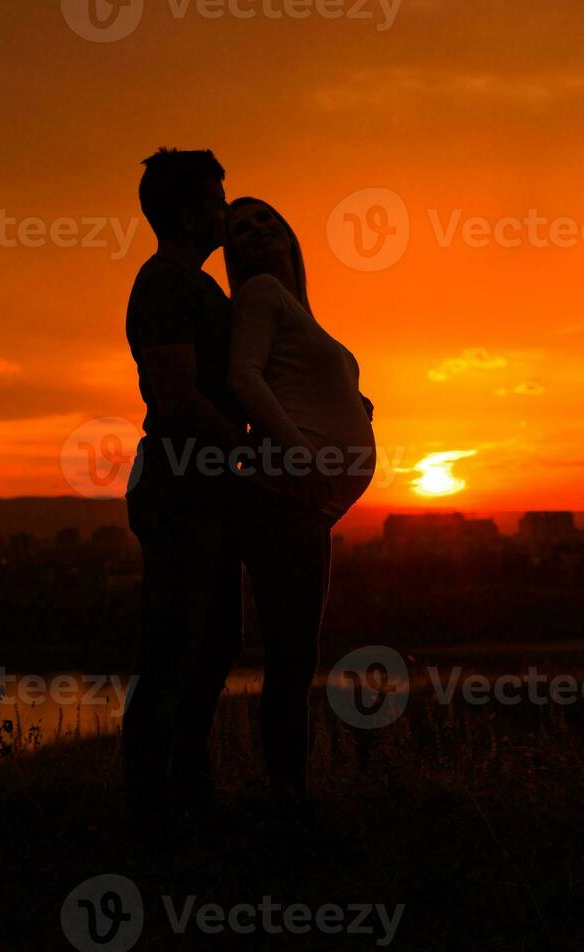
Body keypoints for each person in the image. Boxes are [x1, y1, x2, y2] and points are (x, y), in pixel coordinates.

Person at [224, 196, 376, 802]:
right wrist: (302, 453)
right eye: (240, 227)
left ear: (289, 231)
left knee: (296, 658)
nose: (258, 228)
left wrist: (353, 406)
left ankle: (291, 799)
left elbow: (297, 383)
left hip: (302, 505)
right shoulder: (260, 292)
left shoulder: (298, 312)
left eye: (266, 217)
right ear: (232, 252)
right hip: (280, 498)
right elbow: (244, 377)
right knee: (290, 662)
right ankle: (289, 804)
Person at [121, 148, 247, 833]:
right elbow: (175, 394)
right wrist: (251, 447)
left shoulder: (199, 287)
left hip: (206, 482)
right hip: (179, 482)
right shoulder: (165, 284)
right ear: (188, 212)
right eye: (216, 201)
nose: (225, 213)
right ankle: (150, 805)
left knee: (217, 638)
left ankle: (187, 786)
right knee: (174, 642)